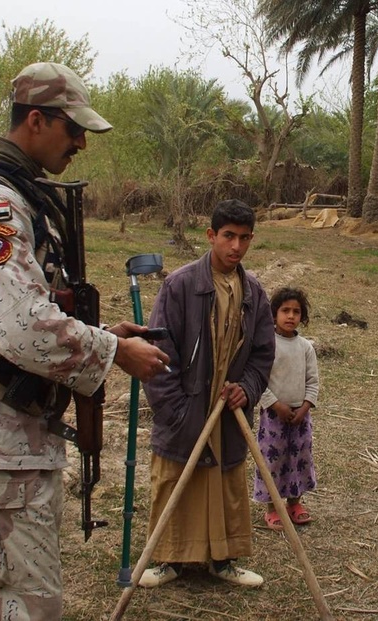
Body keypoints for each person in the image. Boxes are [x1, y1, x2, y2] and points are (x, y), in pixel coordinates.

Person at [0, 62, 171, 620]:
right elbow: (19, 324)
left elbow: (6, 318)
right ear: (35, 120)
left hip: (11, 441)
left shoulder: (18, 196)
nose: (81, 142)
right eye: (73, 128)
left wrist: (103, 335)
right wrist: (112, 353)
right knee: (21, 606)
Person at [140, 199, 275, 589]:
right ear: (211, 236)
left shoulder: (254, 293)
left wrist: (246, 389)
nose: (236, 246)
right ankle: (167, 559)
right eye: (228, 236)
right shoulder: (179, 285)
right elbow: (160, 355)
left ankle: (224, 559)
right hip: (187, 406)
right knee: (175, 478)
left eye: (244, 238)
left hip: (228, 410)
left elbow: (264, 353)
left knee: (225, 483)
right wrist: (177, 412)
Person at [252, 286, 320, 531]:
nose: (290, 316)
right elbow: (259, 379)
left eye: (296, 311)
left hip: (300, 417)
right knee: (273, 460)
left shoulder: (306, 347)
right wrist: (275, 404)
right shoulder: (267, 345)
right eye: (285, 310)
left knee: (299, 458)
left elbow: (313, 381)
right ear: (273, 314)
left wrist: (304, 407)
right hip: (273, 416)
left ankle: (295, 503)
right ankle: (272, 508)